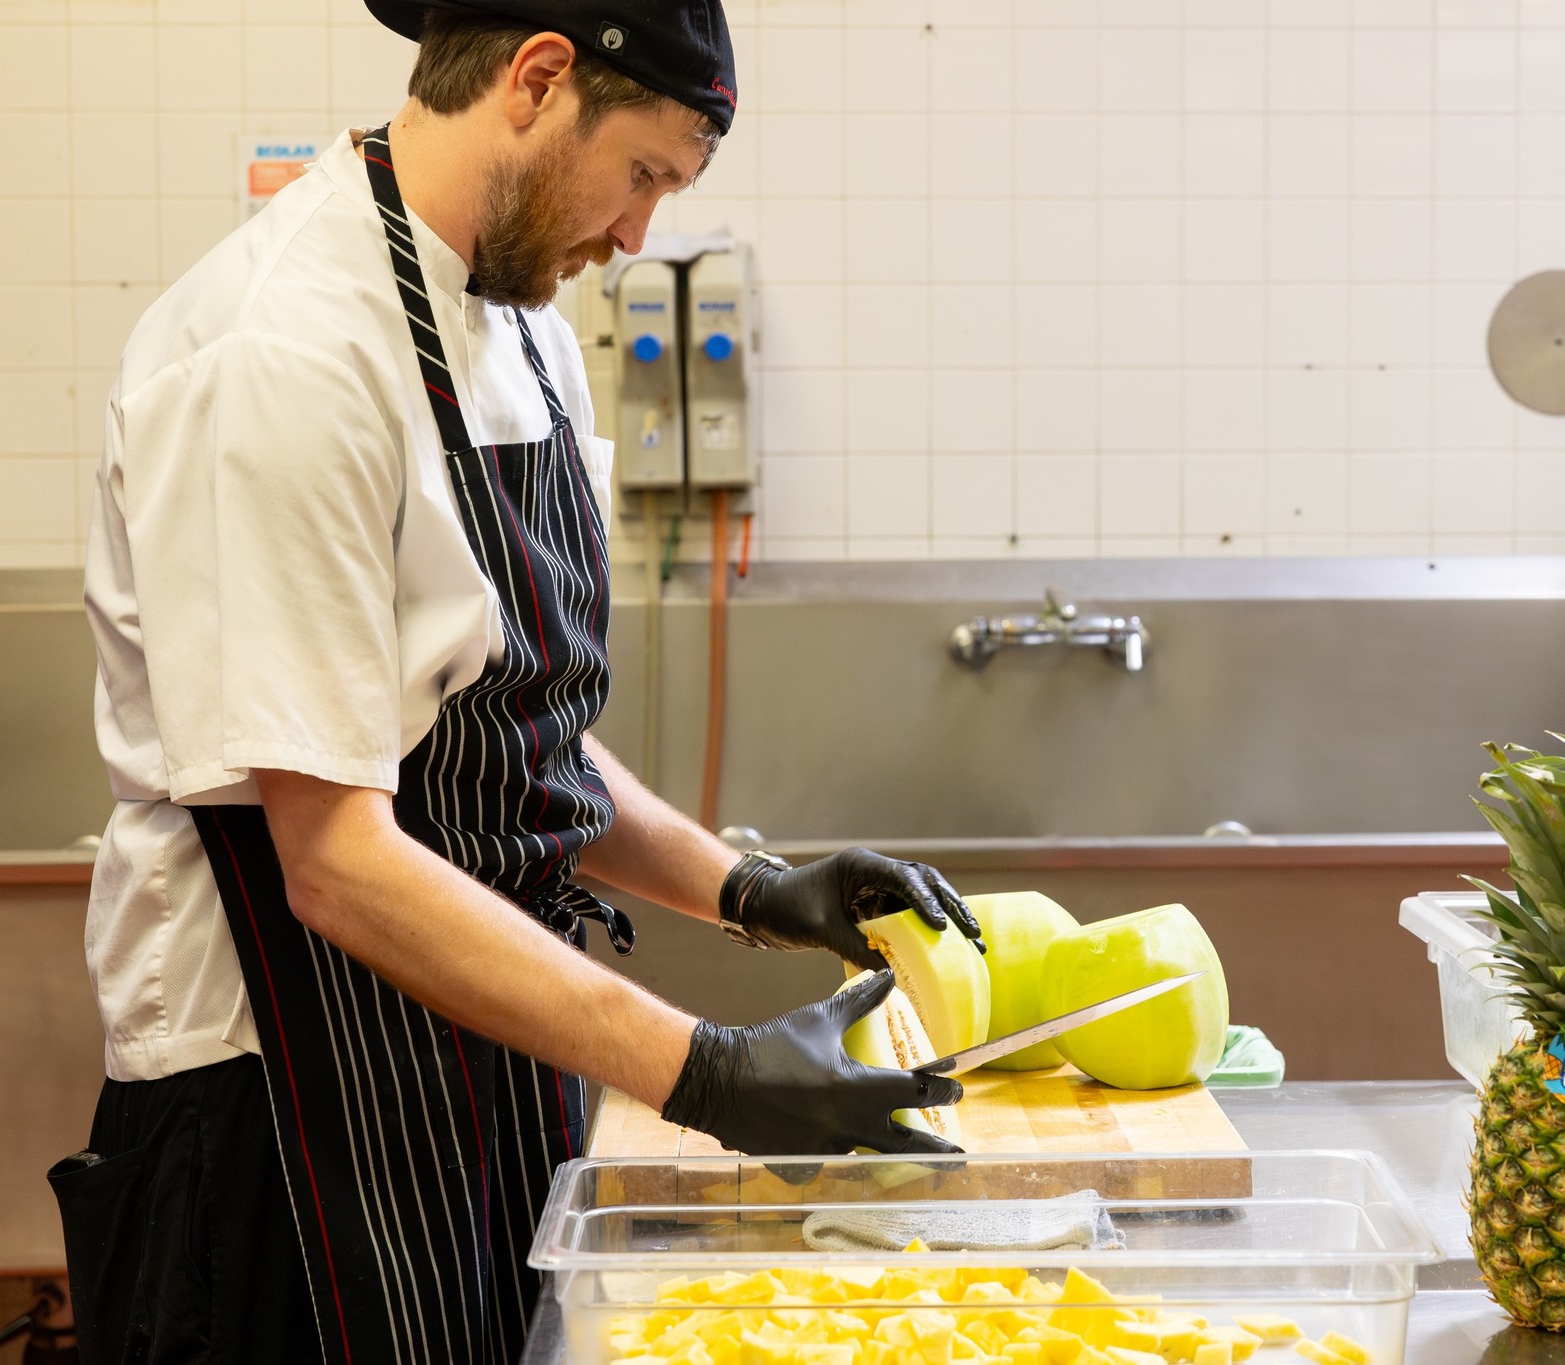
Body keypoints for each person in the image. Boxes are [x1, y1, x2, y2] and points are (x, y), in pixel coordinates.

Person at [51, 3, 982, 1361]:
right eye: (647, 175)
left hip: (487, 1061)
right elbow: (335, 859)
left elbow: (498, 733)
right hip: (283, 1126)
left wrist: (749, 890)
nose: (638, 236)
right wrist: (705, 1071)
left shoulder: (526, 332)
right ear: (540, 79)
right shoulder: (282, 354)